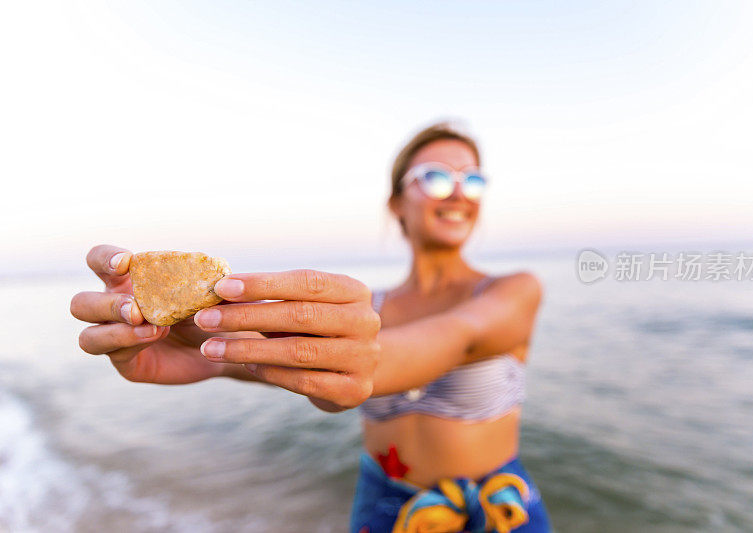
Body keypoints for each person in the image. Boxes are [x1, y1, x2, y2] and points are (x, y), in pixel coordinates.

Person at [70, 122, 550, 532]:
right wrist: (199, 347)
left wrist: (355, 363)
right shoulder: (371, 305)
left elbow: (459, 336)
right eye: (438, 177)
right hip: (383, 502)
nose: (460, 192)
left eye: (474, 179)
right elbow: (281, 360)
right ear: (396, 202)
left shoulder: (512, 291)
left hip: (496, 508)